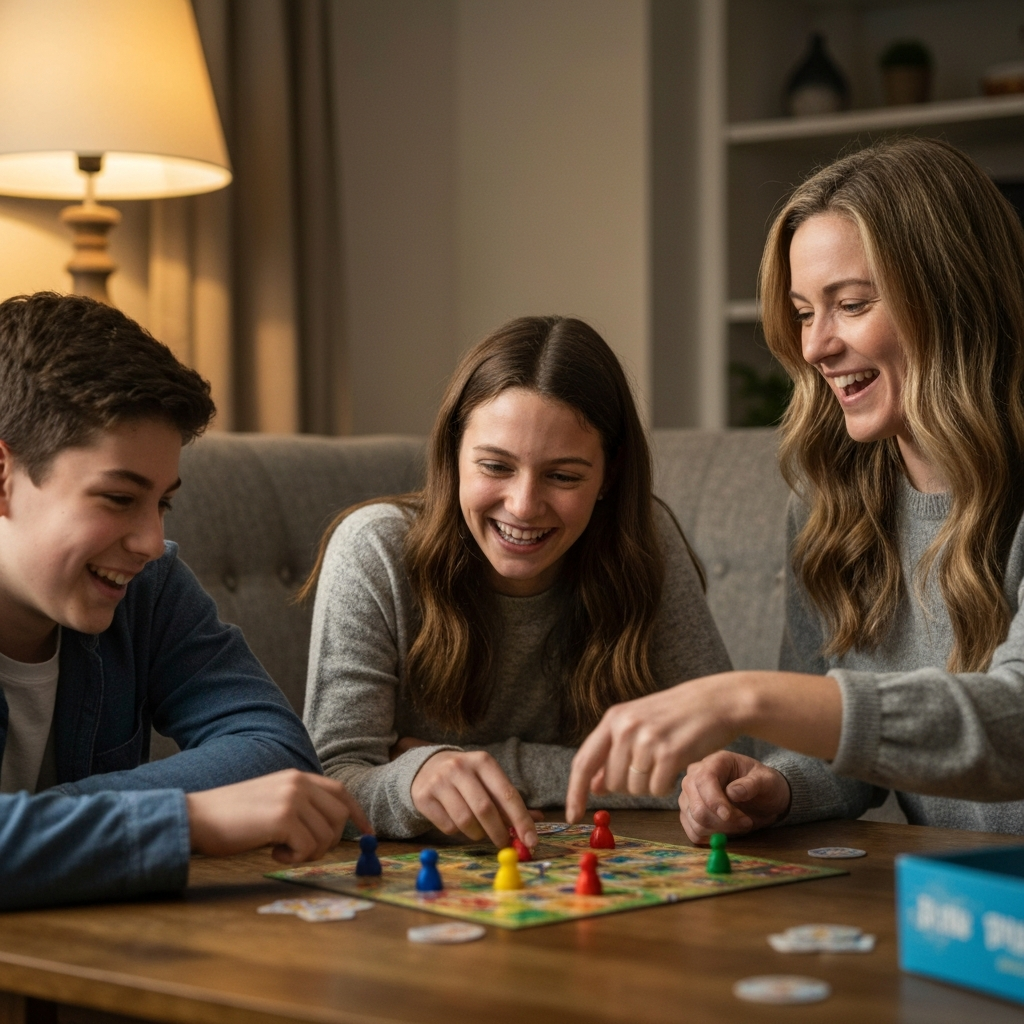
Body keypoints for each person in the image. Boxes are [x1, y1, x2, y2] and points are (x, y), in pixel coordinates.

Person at [564, 136, 1024, 841]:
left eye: (851, 303)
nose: (815, 348)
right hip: (956, 899)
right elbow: (849, 753)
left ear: (954, 297)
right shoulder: (829, 494)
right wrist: (774, 786)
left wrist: (747, 697)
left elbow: (1013, 724)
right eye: (806, 312)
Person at [301, 316, 731, 850]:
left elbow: (720, 769)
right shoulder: (374, 550)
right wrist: (415, 782)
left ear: (609, 476)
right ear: (453, 454)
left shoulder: (644, 541)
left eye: (564, 476)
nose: (524, 506)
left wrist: (488, 766)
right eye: (495, 467)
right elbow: (329, 785)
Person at [0, 292, 369, 911]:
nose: (151, 541)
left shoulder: (147, 587)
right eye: (119, 498)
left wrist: (33, 826)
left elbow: (274, 749)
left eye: (162, 502)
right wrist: (184, 818)